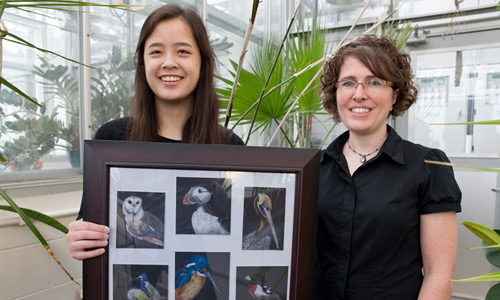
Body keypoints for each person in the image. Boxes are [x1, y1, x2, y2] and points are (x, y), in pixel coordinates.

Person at [66, 3, 243, 261]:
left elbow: (235, 229)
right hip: (131, 276)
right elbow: (90, 219)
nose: (169, 62)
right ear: (143, 64)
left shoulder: (229, 146)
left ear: (202, 63)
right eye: (156, 52)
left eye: (182, 51)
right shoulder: (112, 139)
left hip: (204, 273)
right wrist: (81, 236)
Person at [314, 35, 462, 299]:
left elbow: (439, 273)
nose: (359, 94)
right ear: (336, 93)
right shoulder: (313, 168)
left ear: (394, 95)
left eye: (373, 82)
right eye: (348, 83)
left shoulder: (428, 166)